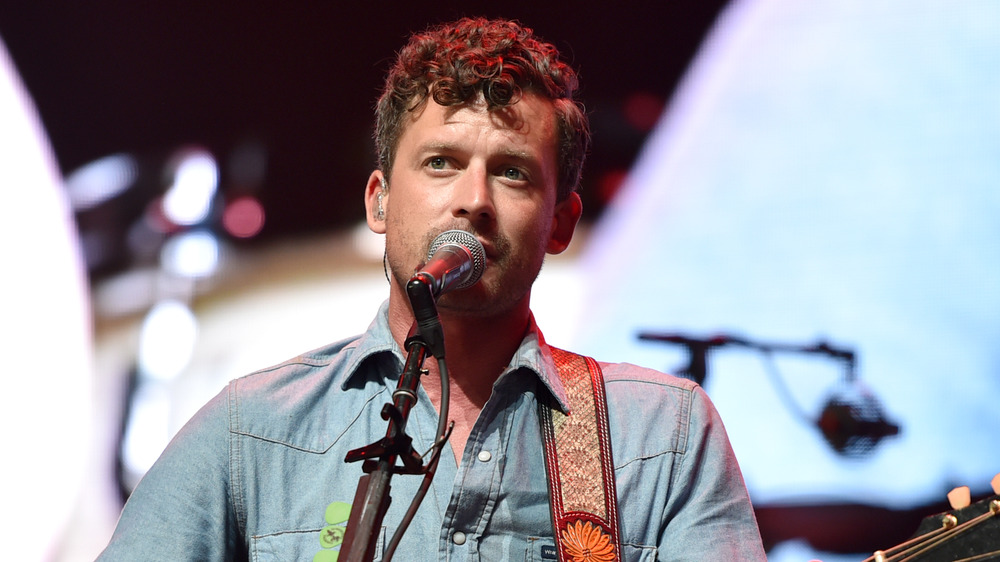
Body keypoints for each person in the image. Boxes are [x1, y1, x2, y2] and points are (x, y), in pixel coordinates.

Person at [98, 17, 766, 561]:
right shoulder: (254, 430)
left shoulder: (660, 435)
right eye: (441, 163)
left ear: (559, 223)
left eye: (511, 173)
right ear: (379, 202)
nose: (472, 200)